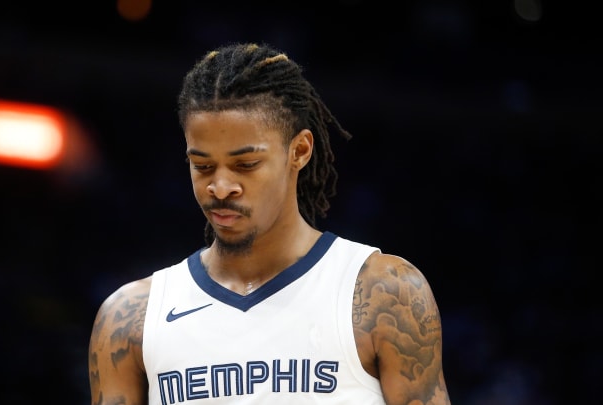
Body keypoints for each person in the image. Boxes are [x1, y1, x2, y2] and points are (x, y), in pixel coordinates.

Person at [88, 42, 451, 405]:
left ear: (300, 151)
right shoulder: (130, 318)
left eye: (245, 165)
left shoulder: (385, 293)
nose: (221, 187)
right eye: (202, 166)